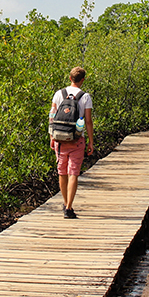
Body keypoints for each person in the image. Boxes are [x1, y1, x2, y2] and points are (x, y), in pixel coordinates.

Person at [49, 66, 94, 218]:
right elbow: (88, 121)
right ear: (83, 80)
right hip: (76, 139)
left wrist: (51, 137)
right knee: (73, 172)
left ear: (70, 78)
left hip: (59, 140)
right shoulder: (85, 97)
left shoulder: (58, 94)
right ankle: (69, 207)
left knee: (62, 172)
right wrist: (90, 142)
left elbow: (52, 116)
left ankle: (65, 202)